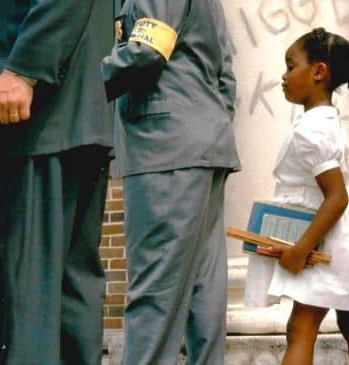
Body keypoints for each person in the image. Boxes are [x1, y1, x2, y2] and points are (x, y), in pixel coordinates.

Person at [0, 1, 113, 364]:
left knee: (22, 304)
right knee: (63, 305)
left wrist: (24, 69)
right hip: (54, 119)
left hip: (27, 122)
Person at [245, 28, 349, 365]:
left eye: (290, 66)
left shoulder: (312, 130)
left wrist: (300, 250)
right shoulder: (329, 121)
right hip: (347, 237)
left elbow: (336, 197)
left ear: (319, 72)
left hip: (324, 238)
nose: (284, 77)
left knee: (301, 330)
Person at [101, 1, 240, 364]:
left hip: (163, 145)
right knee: (203, 296)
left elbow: (146, 51)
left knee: (154, 296)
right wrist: (207, 125)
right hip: (203, 143)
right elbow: (226, 73)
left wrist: (75, 85)